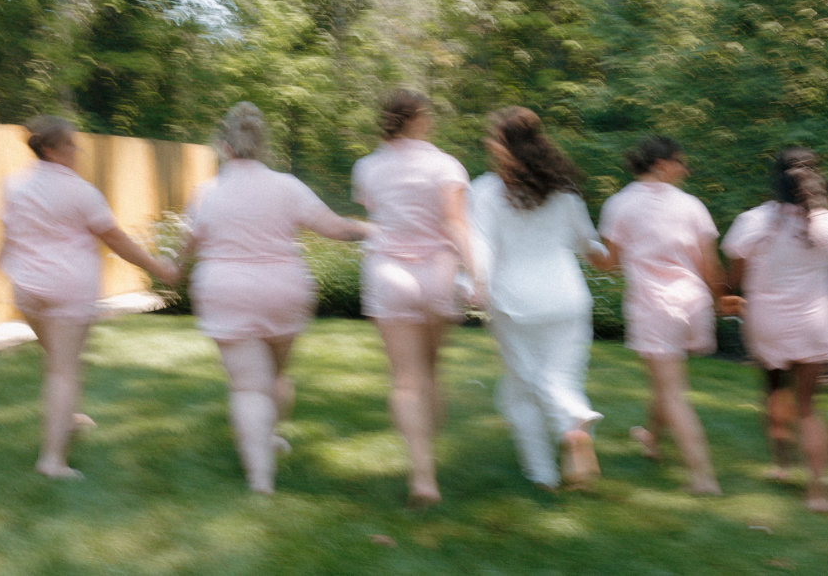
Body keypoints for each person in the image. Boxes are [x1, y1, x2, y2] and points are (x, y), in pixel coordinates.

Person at [184, 102, 372, 494]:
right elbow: (336, 228)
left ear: (225, 146)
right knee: (275, 377)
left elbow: (187, 246)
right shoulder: (287, 186)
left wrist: (167, 269)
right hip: (283, 290)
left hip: (226, 290)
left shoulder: (207, 192)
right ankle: (267, 439)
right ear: (262, 144)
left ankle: (260, 479)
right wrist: (379, 231)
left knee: (249, 387)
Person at [0, 115, 179, 479]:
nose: (76, 151)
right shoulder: (81, 191)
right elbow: (116, 240)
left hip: (28, 289)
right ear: (50, 149)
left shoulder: (14, 185)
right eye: (70, 145)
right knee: (64, 369)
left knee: (57, 361)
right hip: (68, 289)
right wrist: (159, 269)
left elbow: (7, 235)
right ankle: (52, 460)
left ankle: (68, 417)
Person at [720, 147, 828, 512]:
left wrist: (727, 298)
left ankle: (782, 465)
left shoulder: (752, 221)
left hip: (767, 321)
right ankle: (819, 493)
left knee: (773, 390)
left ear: (776, 180)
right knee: (808, 407)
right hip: (816, 322)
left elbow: (733, 280)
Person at [469, 107, 611, 490]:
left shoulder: (485, 191)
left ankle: (549, 463)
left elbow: (479, 245)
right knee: (559, 377)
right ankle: (571, 434)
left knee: (526, 386)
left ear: (502, 145)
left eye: (492, 137)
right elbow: (587, 243)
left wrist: (474, 284)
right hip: (567, 297)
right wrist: (603, 253)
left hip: (513, 302)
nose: (488, 143)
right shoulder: (563, 189)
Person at [351, 89, 478, 507]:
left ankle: (422, 475)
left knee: (406, 379)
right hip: (438, 274)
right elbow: (457, 226)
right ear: (421, 119)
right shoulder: (446, 165)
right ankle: (429, 460)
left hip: (389, 273)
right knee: (431, 372)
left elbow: (374, 211)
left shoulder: (367, 167)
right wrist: (478, 278)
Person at [597, 136, 724, 495]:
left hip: (655, 307)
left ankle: (703, 478)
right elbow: (710, 266)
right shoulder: (692, 206)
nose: (684, 169)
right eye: (680, 161)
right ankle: (652, 440)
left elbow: (608, 264)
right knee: (662, 381)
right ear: (660, 164)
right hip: (693, 303)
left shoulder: (619, 204)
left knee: (672, 391)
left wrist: (584, 249)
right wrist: (722, 298)